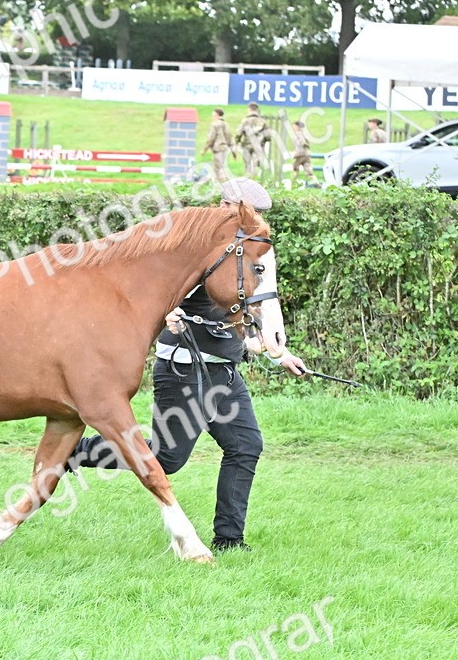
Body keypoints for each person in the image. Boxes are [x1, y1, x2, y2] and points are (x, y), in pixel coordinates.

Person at [65, 178, 310, 553]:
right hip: (183, 372)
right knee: (167, 458)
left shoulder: (242, 253)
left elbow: (237, 319)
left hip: (224, 372)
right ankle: (75, 453)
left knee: (245, 446)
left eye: (259, 214)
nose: (257, 220)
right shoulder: (192, 248)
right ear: (228, 207)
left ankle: (229, 540)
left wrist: (279, 354)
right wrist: (170, 313)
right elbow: (153, 293)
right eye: (252, 212)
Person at [235, 103, 270, 178]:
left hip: (247, 145)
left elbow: (238, 133)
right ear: (257, 110)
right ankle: (255, 181)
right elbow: (268, 136)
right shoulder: (262, 121)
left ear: (249, 109)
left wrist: (237, 142)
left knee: (247, 164)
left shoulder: (245, 121)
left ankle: (247, 180)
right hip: (258, 146)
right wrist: (265, 140)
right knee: (256, 164)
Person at [202, 108, 234, 181]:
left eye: (213, 115)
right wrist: (234, 152)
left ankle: (219, 185)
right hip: (225, 149)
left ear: (216, 115)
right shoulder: (226, 125)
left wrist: (204, 149)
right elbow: (230, 138)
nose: (212, 117)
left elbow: (211, 138)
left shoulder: (215, 124)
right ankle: (224, 183)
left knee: (217, 169)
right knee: (223, 167)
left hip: (217, 149)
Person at [290, 120, 316, 186]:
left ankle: (292, 184)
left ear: (297, 126)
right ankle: (316, 182)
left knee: (295, 168)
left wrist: (304, 145)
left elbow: (303, 142)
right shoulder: (304, 133)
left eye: (294, 126)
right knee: (308, 171)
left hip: (300, 155)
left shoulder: (299, 134)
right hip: (306, 155)